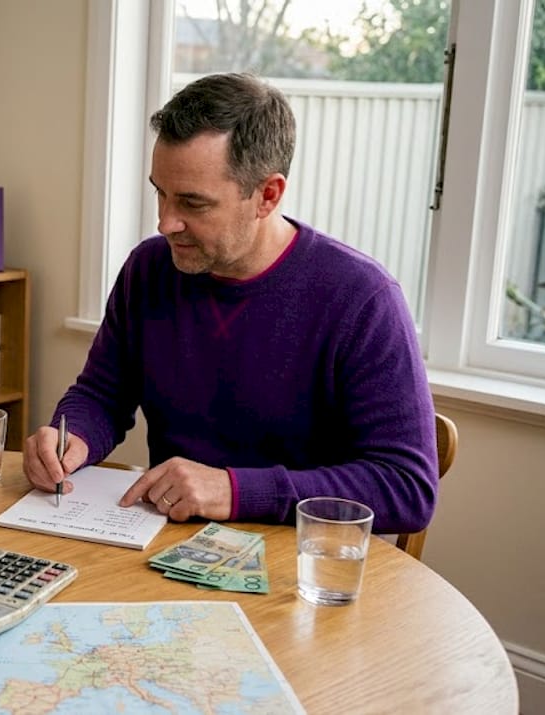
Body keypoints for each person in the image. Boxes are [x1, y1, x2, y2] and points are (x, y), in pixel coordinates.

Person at [23, 73, 438, 535]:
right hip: (168, 551)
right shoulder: (148, 270)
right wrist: (71, 436)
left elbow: (407, 488)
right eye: (159, 192)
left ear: (267, 195)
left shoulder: (363, 298)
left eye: (193, 204)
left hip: (300, 567)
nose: (165, 222)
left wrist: (235, 490)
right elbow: (102, 394)